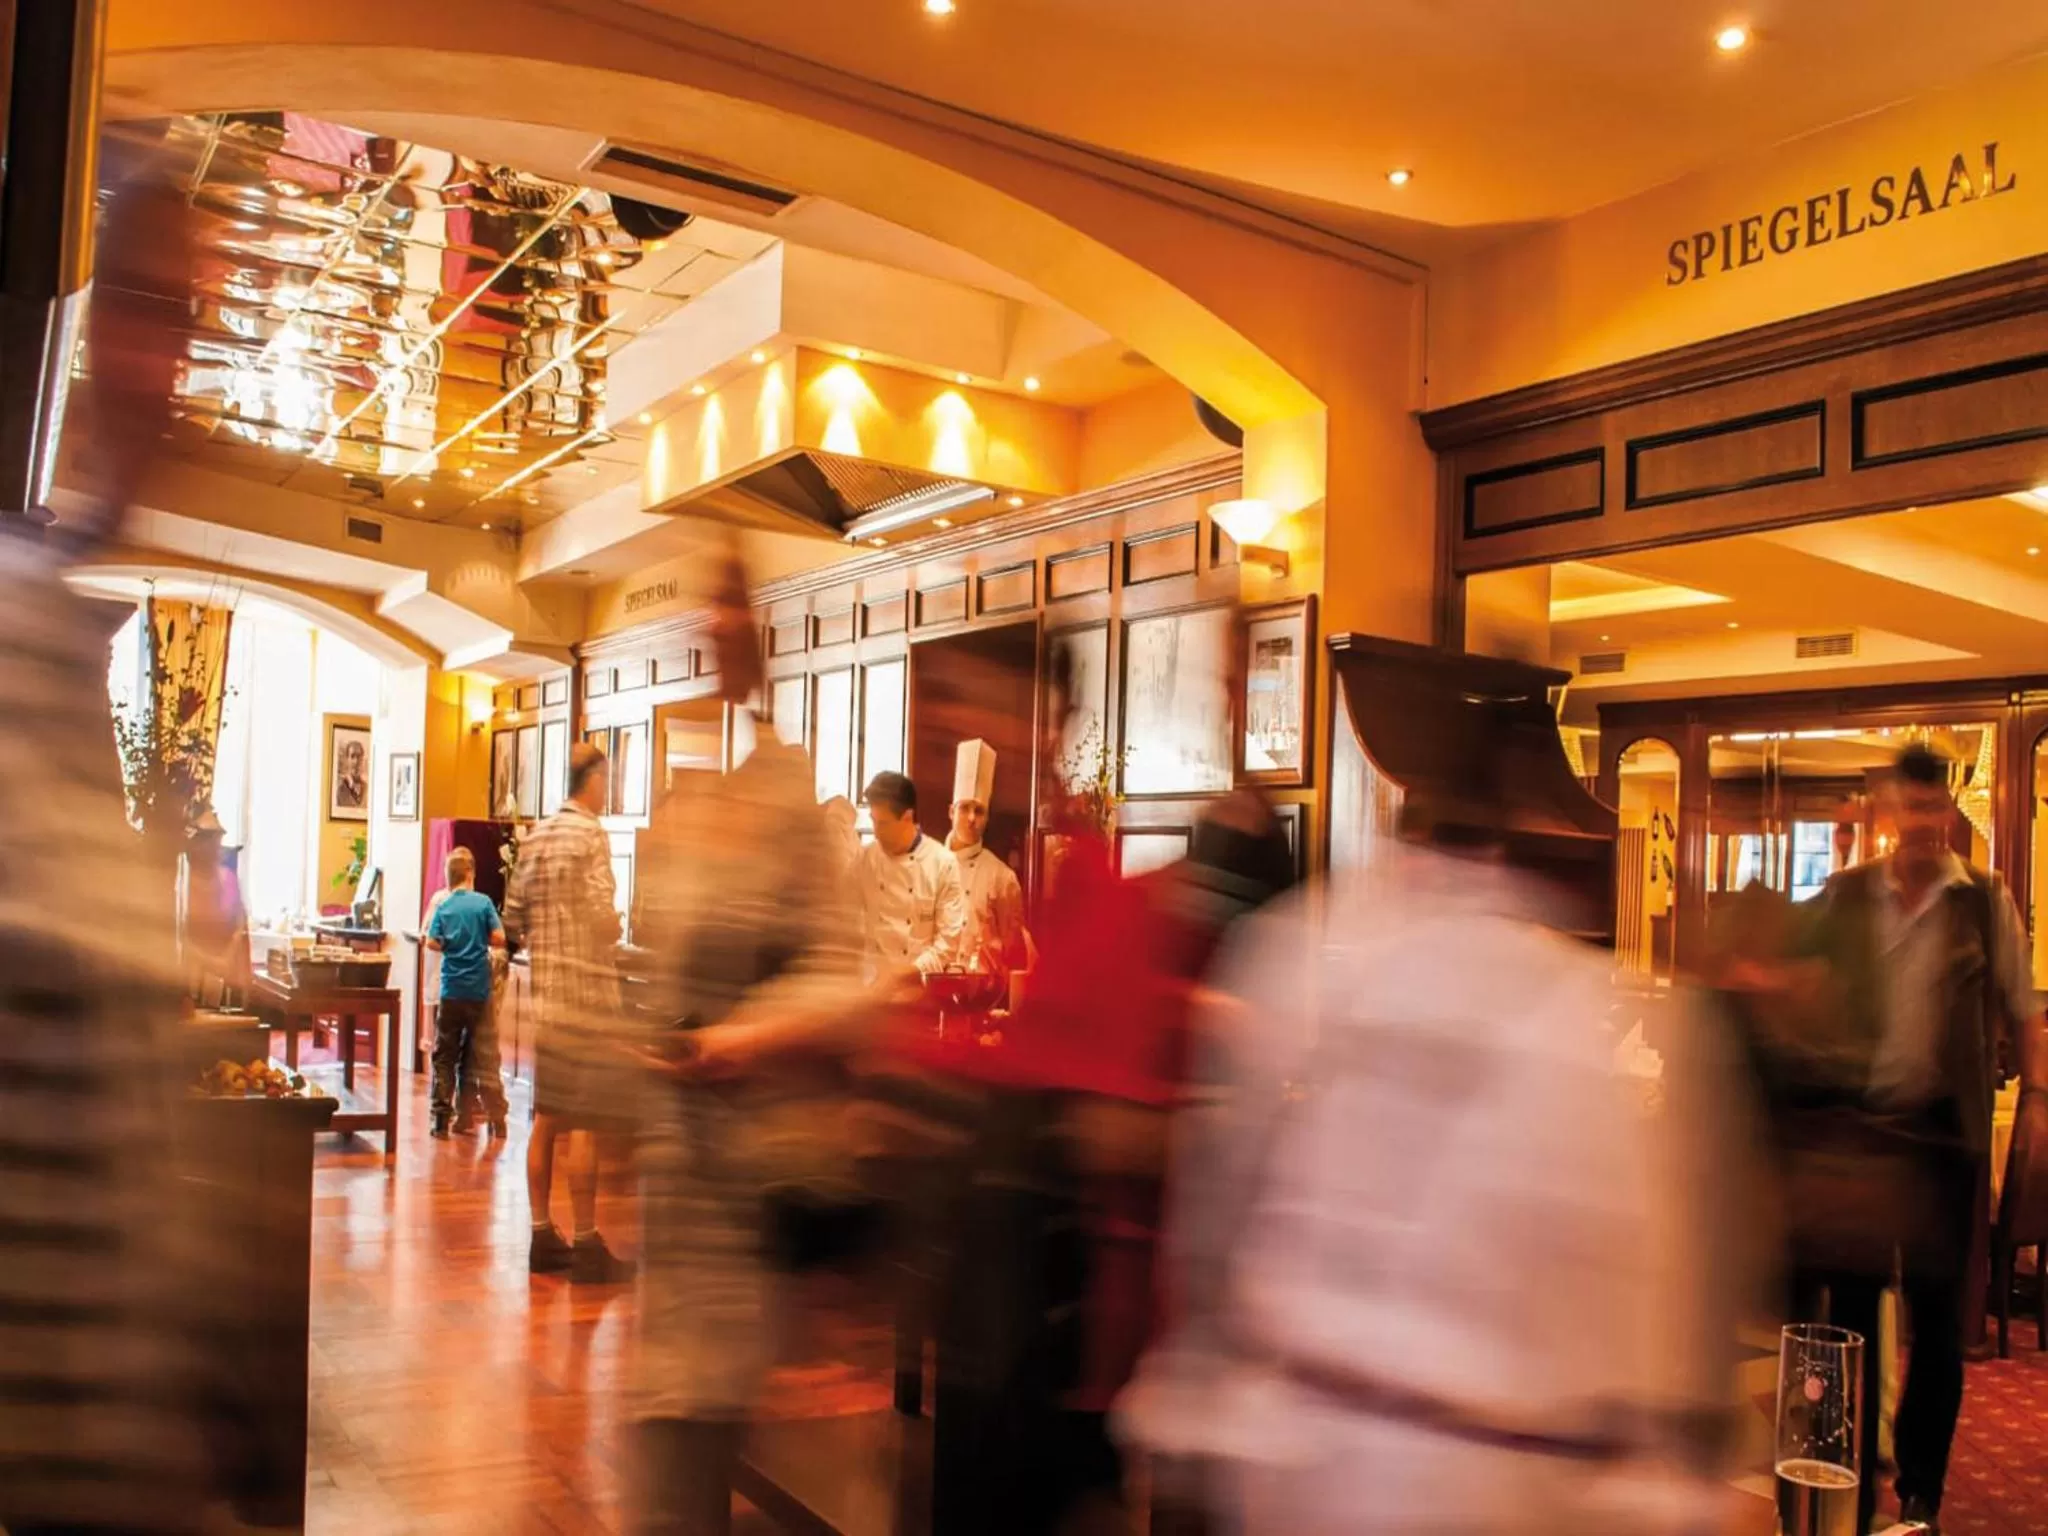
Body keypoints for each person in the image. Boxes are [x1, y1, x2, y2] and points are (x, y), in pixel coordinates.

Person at [627, 555, 870, 1535]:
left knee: (715, 1416)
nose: (717, 627)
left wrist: (744, 1040)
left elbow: (832, 980)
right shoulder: (693, 820)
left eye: (733, 609)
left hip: (757, 1173)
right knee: (675, 1423)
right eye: (709, 610)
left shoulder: (790, 803)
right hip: (682, 1175)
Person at [1792, 742, 2039, 1535]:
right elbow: (1806, 990)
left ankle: (1922, 1495)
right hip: (1861, 1137)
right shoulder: (1845, 896)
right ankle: (1852, 1485)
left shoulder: (1984, 900)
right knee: (1853, 1325)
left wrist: (2037, 1096)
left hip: (1944, 1139)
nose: (1926, 824)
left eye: (1938, 809)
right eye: (1914, 808)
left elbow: (2022, 1006)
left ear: (1949, 815)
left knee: (1939, 1326)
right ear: (1890, 811)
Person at [504, 742, 634, 1283]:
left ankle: (540, 1236)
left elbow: (511, 919)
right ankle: (585, 1242)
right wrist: (612, 925)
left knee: (547, 1119)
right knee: (585, 1122)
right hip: (587, 1001)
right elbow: (602, 917)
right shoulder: (590, 834)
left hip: (547, 999)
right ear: (597, 779)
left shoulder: (535, 836)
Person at [425, 846, 508, 1139]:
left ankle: (441, 1120)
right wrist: (478, 940)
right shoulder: (483, 903)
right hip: (479, 991)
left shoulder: (444, 906)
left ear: (449, 878)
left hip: (451, 991)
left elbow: (431, 942)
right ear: (470, 873)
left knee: (445, 1056)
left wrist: (451, 944)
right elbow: (499, 938)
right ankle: (498, 1120)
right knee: (484, 1056)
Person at [856, 769, 966, 980]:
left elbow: (947, 946)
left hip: (918, 995)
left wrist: (902, 976)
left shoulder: (943, 864)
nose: (876, 831)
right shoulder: (865, 859)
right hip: (871, 992)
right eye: (873, 821)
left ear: (907, 817)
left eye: (884, 823)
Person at [946, 739, 1029, 972]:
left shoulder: (1003, 877)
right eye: (964, 808)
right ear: (951, 811)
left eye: (979, 811)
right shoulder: (927, 866)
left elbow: (1015, 955)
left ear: (987, 817)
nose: (972, 818)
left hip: (985, 999)